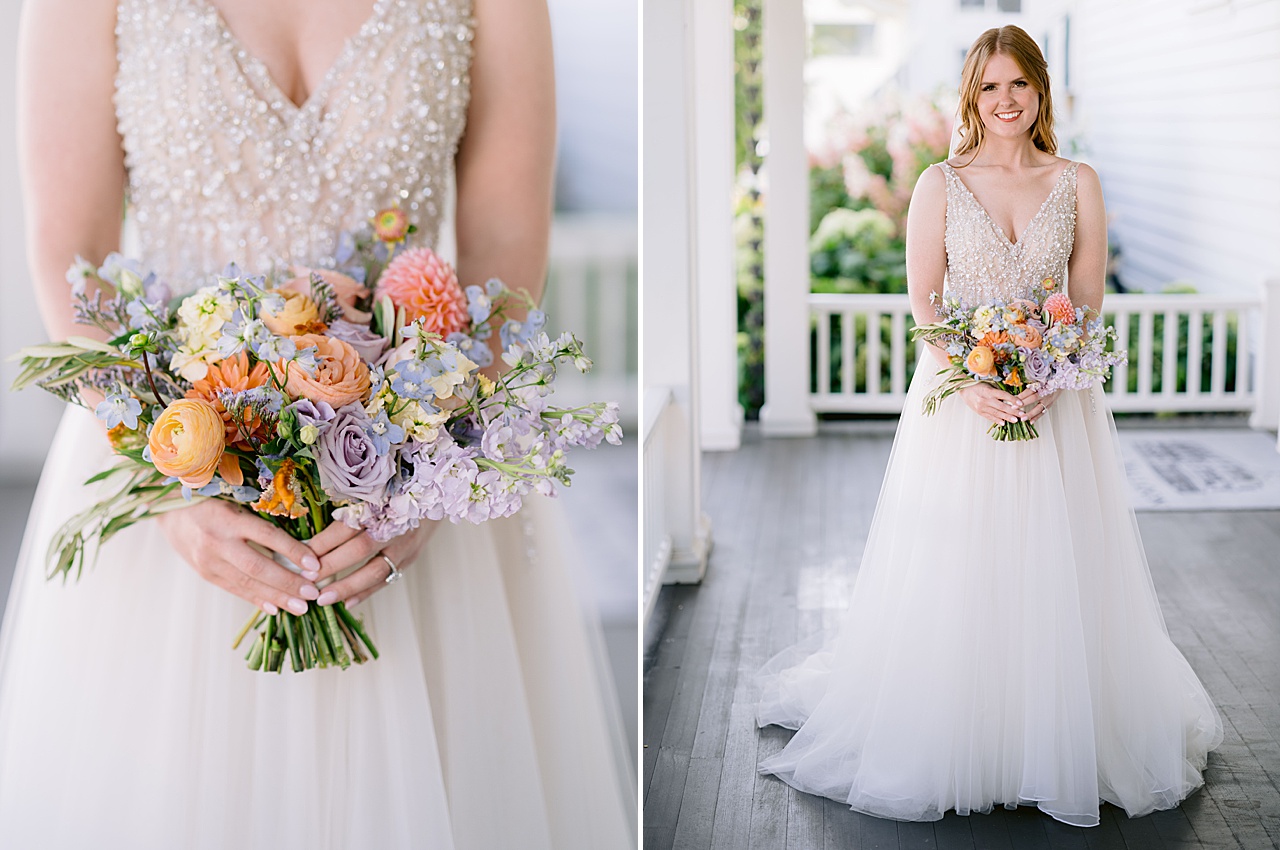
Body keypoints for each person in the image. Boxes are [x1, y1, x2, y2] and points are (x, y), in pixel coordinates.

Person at [0, 0, 635, 847]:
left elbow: (503, 253)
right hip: (171, 480)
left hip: (416, 483)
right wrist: (168, 482)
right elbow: (74, 265)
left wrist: (424, 481)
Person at [755, 25, 1222, 827]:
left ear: (1040, 89)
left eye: (1020, 84)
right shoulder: (941, 182)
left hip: (1055, 402)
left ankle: (1054, 732)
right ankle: (965, 730)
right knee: (962, 562)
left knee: (1057, 561)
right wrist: (973, 377)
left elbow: (1085, 300)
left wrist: (1046, 370)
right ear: (972, 96)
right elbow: (926, 304)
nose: (1005, 101)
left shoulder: (1078, 180)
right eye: (990, 87)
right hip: (959, 406)